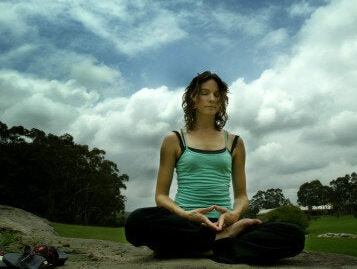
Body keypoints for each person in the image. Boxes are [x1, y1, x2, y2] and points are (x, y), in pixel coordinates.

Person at [125, 71, 305, 264]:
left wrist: (234, 214)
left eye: (217, 94)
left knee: (294, 235)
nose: (212, 98)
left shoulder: (234, 142)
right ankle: (220, 243)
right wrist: (184, 214)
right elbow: (161, 195)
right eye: (205, 93)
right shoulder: (174, 140)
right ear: (193, 97)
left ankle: (197, 246)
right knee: (137, 222)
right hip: (185, 223)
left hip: (222, 223)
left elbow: (241, 196)